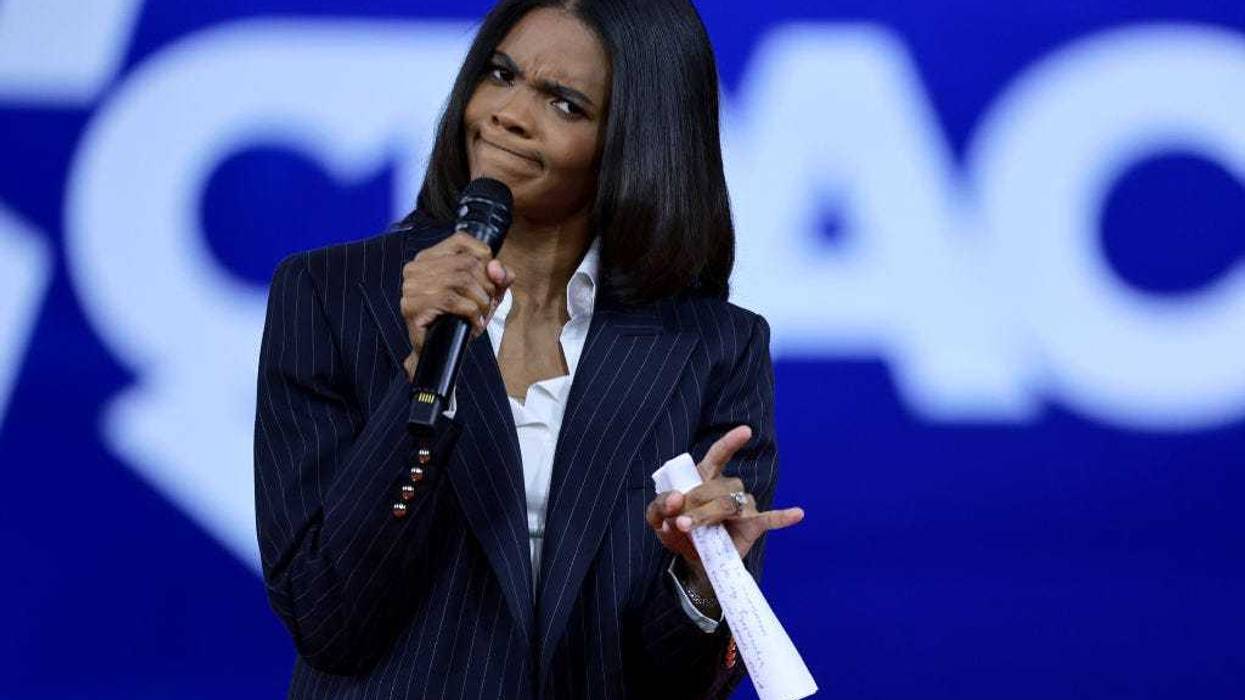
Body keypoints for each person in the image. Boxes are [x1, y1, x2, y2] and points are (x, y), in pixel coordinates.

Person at [253, 0, 804, 697]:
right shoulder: (331, 297)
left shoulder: (714, 347)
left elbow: (684, 685)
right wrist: (422, 385)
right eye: (500, 74)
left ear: (637, 141)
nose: (506, 114)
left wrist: (697, 581)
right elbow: (326, 616)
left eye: (564, 104)